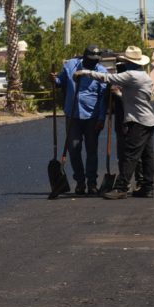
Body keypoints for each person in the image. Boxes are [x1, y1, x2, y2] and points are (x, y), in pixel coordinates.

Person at [75, 46, 154, 199]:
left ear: (130, 62)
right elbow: (134, 96)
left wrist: (84, 72)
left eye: (125, 61)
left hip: (138, 121)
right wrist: (118, 93)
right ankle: (147, 187)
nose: (124, 63)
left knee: (130, 156)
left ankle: (121, 188)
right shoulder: (143, 75)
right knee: (147, 156)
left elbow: (106, 78)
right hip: (149, 120)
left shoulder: (131, 75)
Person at [53, 44, 109, 195]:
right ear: (84, 57)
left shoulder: (101, 72)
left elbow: (103, 98)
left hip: (92, 117)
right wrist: (54, 80)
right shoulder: (70, 65)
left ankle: (92, 183)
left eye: (96, 60)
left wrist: (101, 118)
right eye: (91, 60)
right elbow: (60, 82)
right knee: (74, 149)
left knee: (91, 151)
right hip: (73, 116)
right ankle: (80, 182)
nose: (94, 63)